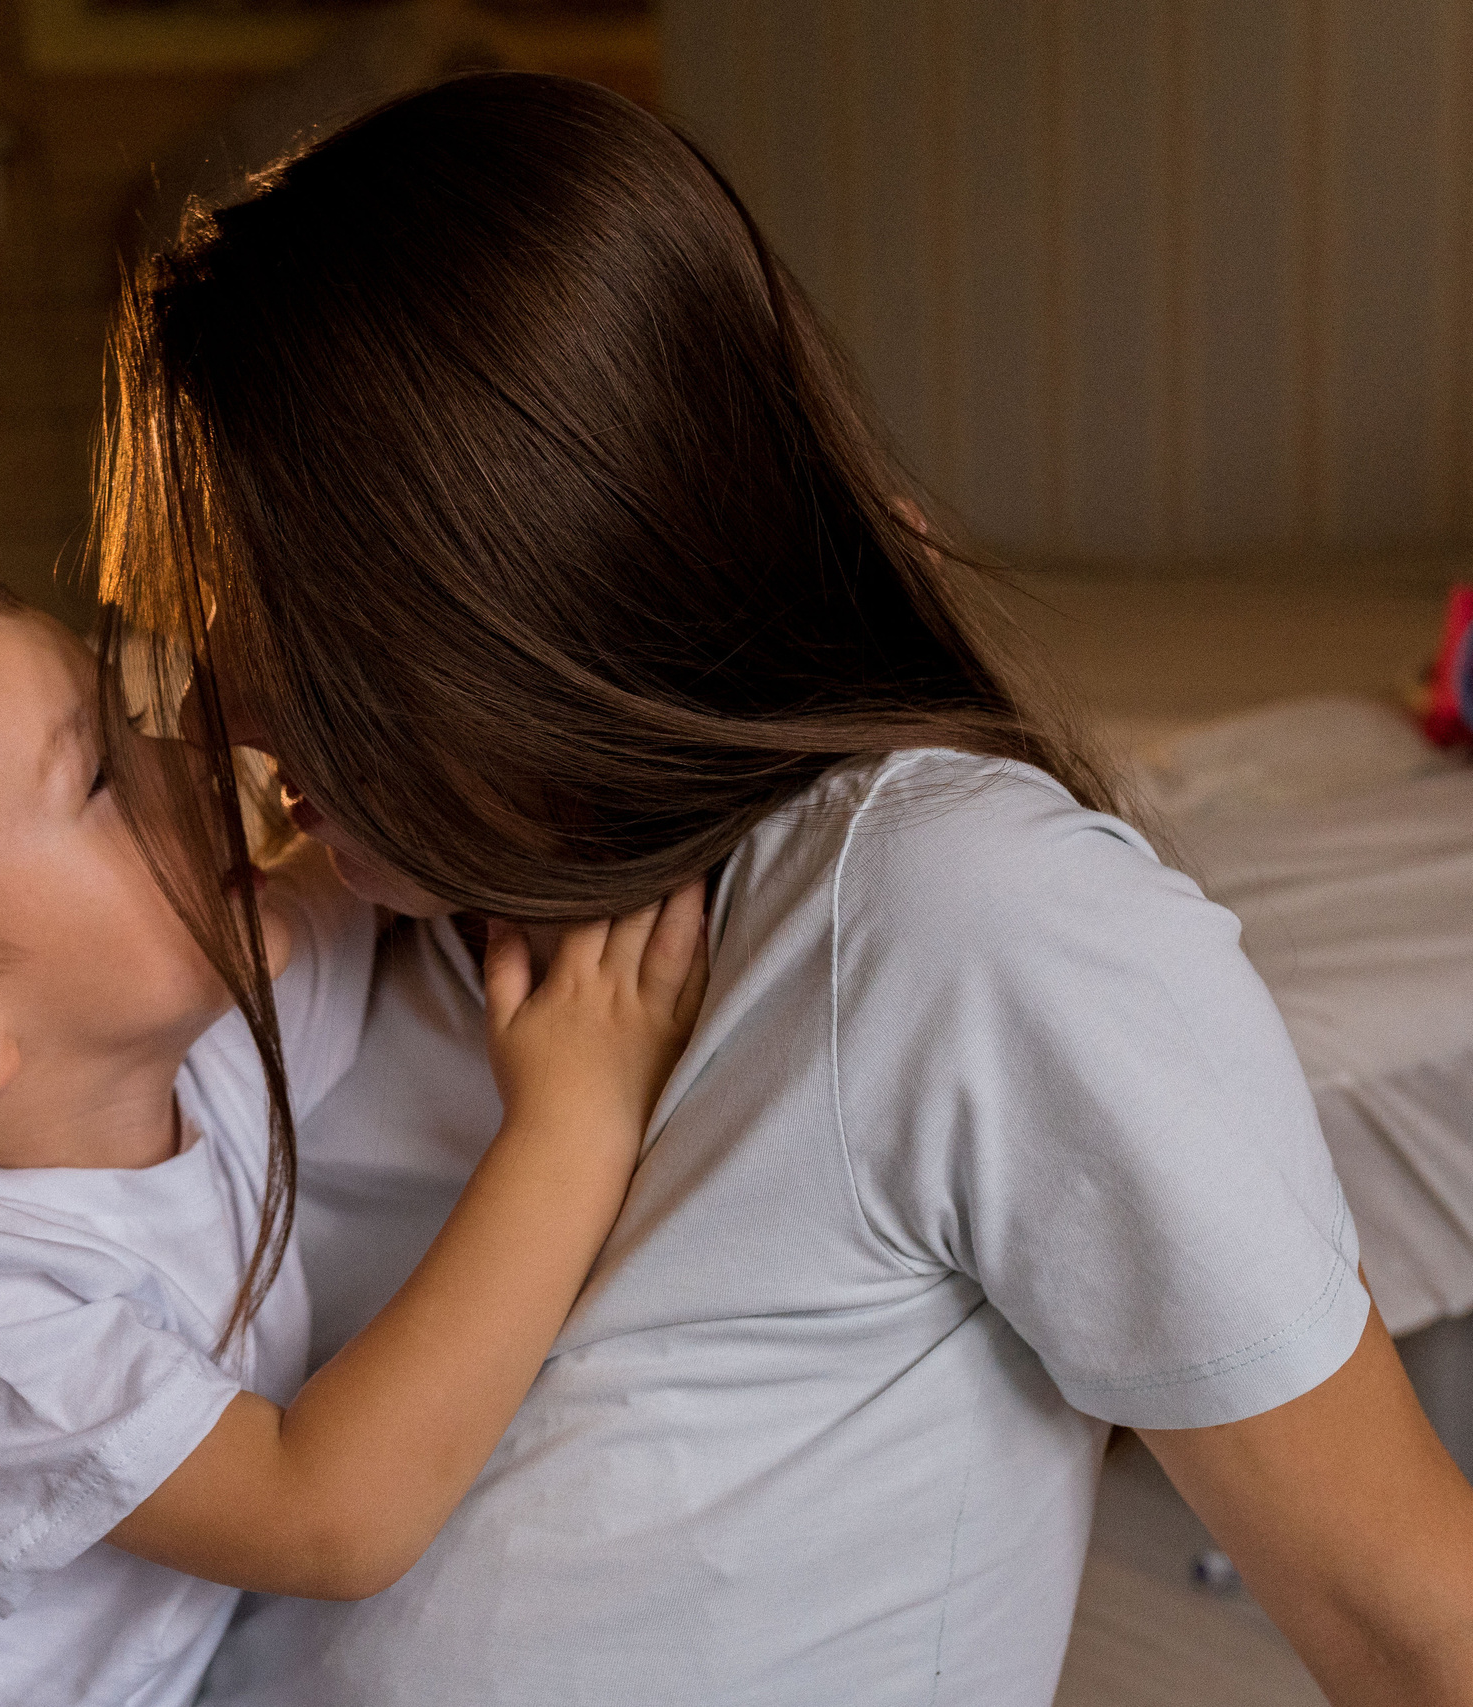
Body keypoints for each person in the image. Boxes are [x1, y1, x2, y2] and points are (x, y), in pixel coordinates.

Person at [87, 73, 1473, 1707]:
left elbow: (1410, 1619)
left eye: (286, 639)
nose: (234, 716)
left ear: (522, 595)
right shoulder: (347, 939)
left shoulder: (961, 915)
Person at [0, 563, 709, 1706]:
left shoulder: (187, 1031)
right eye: (97, 773)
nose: (181, 748)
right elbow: (328, 1518)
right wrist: (567, 1125)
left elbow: (375, 862)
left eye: (123, 716)